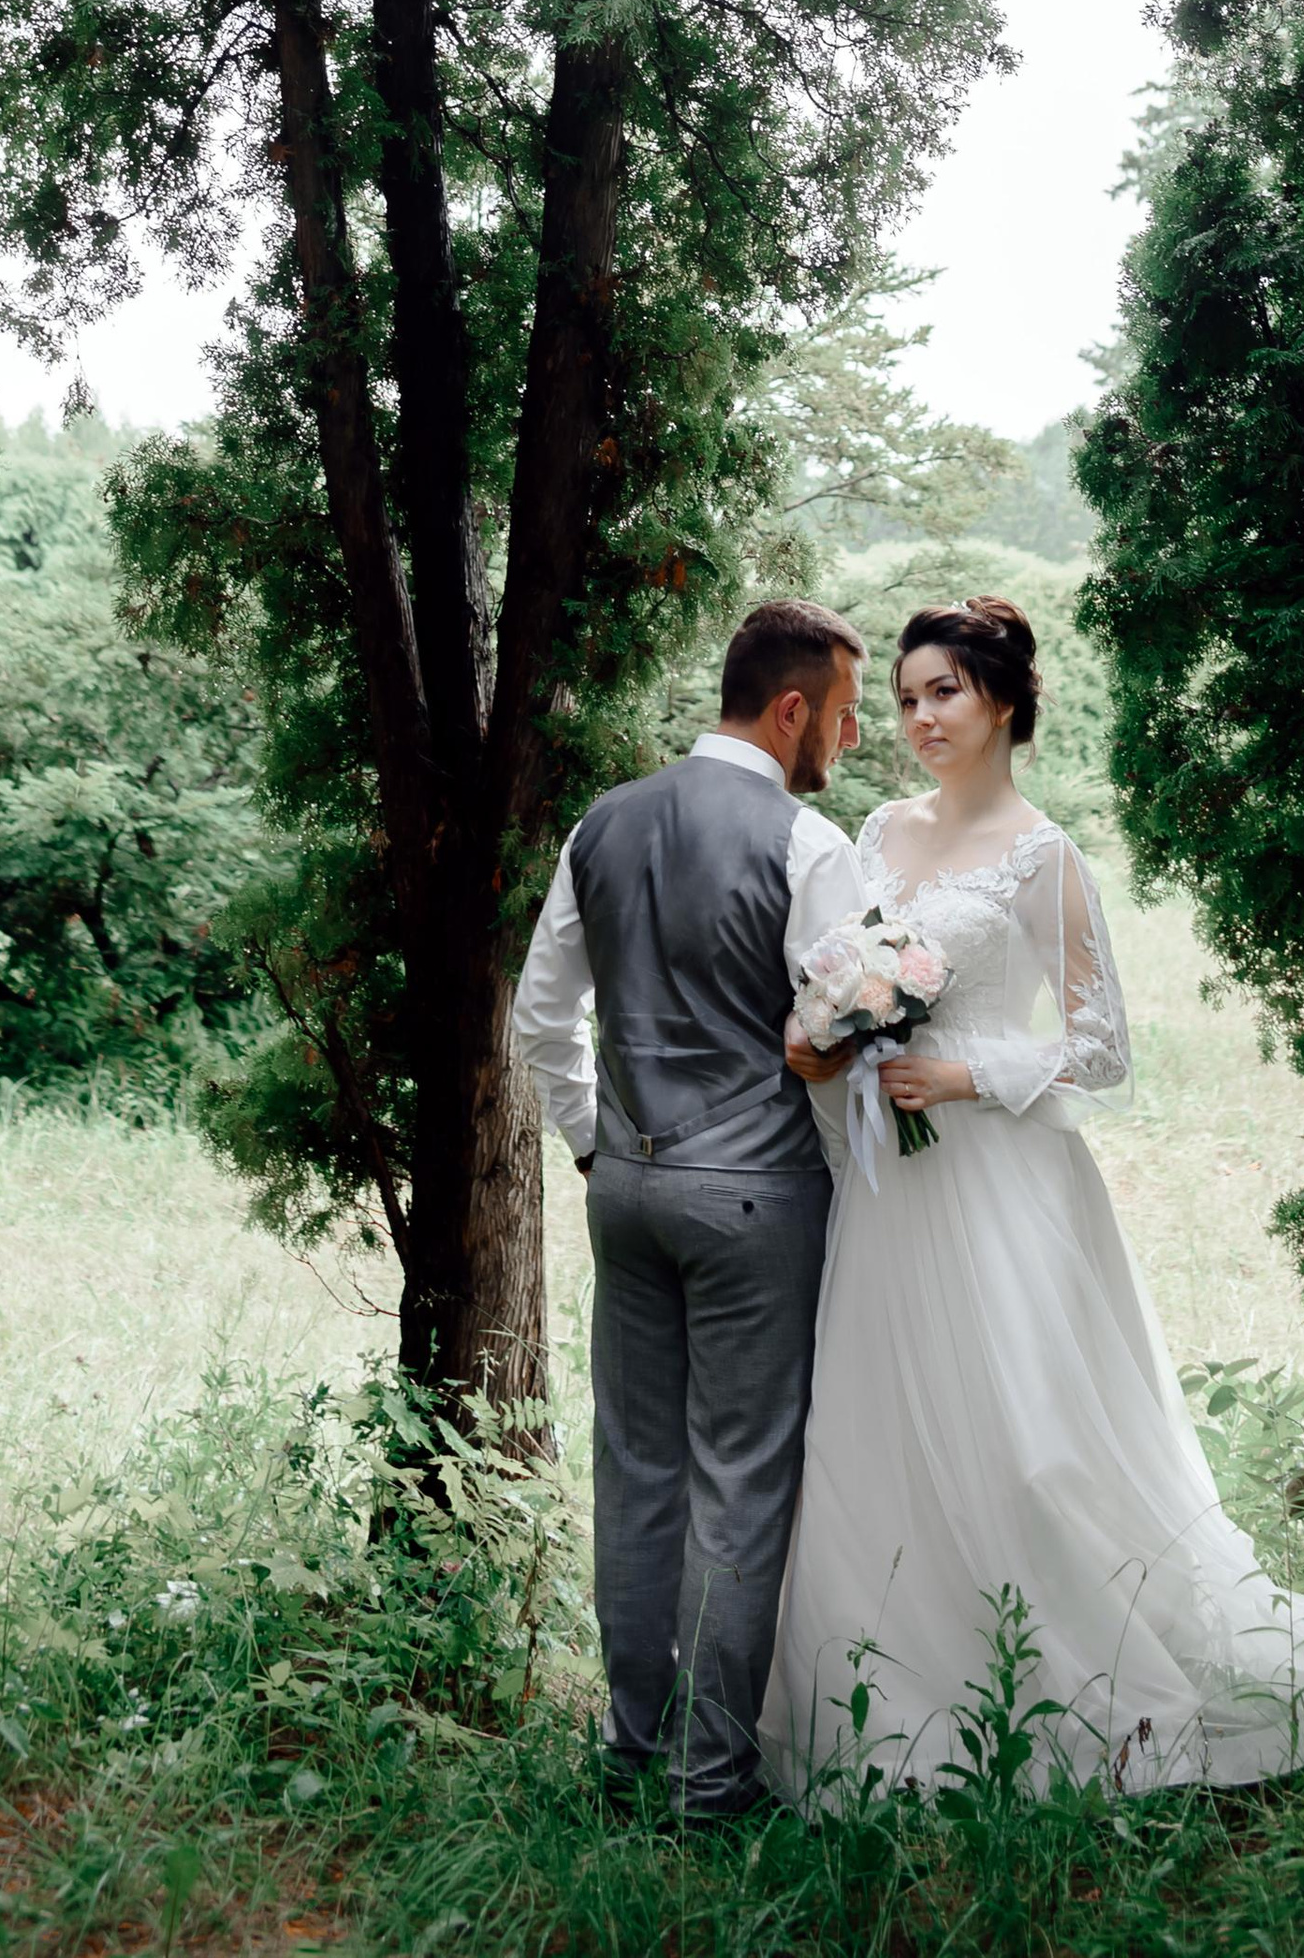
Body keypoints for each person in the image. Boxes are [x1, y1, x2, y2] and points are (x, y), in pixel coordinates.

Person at [758, 595, 1304, 1804]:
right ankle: (887, 1704)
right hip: (891, 1183)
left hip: (1000, 1179)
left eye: (943, 693)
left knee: (1026, 1440)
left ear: (1004, 701)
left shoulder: (1042, 853)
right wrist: (835, 1033)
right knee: (881, 1421)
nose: (918, 719)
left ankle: (1070, 1678)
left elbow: (1101, 1048)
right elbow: (838, 977)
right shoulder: (876, 834)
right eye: (903, 700)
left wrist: (962, 1074)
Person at [511, 594, 866, 1827]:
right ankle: (710, 1788)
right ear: (789, 710)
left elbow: (540, 1019)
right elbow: (828, 1049)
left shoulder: (601, 824)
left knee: (637, 1472)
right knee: (740, 1483)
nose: (850, 738)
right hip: (757, 1197)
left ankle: (630, 1753)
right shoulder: (807, 845)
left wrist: (595, 1147)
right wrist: (851, 1192)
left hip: (627, 1190)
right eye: (842, 713)